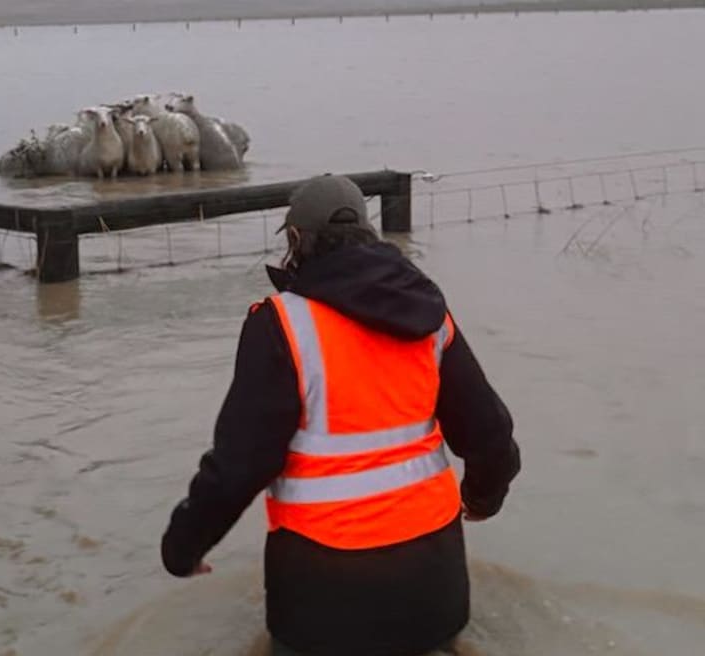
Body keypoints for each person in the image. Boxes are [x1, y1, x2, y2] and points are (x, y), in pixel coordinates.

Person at [160, 174, 521, 656]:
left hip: (321, 600)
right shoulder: (430, 314)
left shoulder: (281, 324)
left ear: (294, 240)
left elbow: (238, 467)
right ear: (369, 233)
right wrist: (481, 499)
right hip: (434, 591)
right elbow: (492, 437)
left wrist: (184, 547)